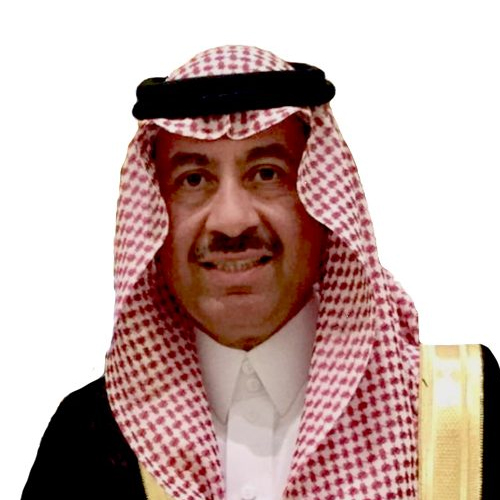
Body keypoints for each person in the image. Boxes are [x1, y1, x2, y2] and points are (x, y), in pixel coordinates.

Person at [22, 45, 499, 500]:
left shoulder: (461, 411)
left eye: (267, 173)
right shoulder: (86, 438)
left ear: (323, 207)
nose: (232, 221)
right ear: (153, 218)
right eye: (193, 179)